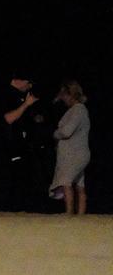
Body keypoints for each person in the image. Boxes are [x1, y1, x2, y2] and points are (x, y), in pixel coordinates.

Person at [0, 71, 43, 211]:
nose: (30, 88)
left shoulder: (18, 95)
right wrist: (26, 105)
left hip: (20, 146)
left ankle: (23, 208)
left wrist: (34, 117)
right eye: (29, 84)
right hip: (7, 147)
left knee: (27, 176)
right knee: (14, 179)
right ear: (22, 80)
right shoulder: (6, 94)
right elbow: (8, 119)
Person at [49, 80, 91, 214]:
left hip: (74, 154)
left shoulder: (78, 110)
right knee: (79, 184)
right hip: (79, 152)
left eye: (64, 96)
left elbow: (66, 132)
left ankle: (68, 213)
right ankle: (80, 216)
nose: (62, 99)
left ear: (70, 95)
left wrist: (55, 133)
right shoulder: (80, 110)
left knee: (66, 182)